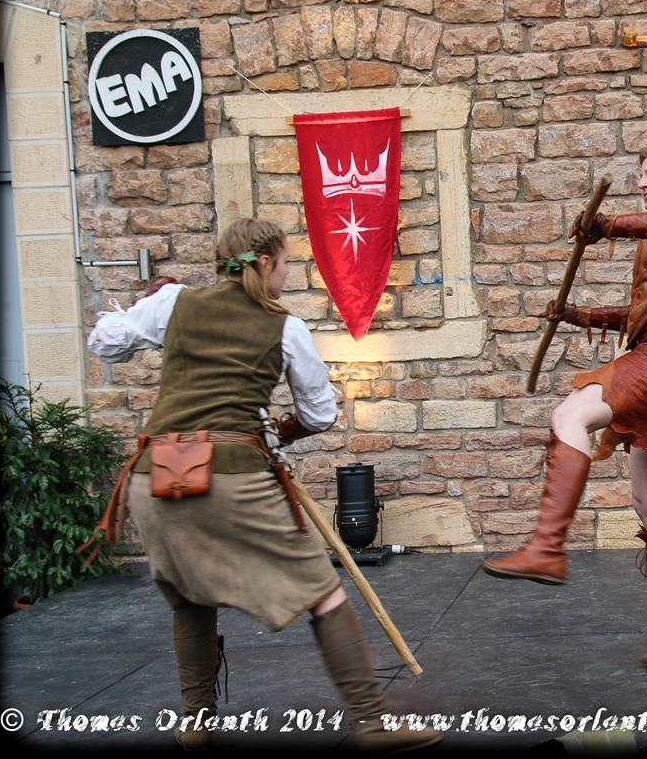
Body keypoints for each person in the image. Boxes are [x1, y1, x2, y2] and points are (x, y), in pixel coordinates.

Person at [86, 218, 439, 754]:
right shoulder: (284, 326)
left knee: (190, 596)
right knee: (322, 593)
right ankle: (371, 722)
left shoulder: (173, 303)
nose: (287, 273)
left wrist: (142, 305)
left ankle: (196, 722)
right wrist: (280, 432)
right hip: (232, 474)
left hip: (160, 470)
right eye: (287, 262)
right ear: (268, 262)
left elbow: (105, 343)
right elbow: (319, 414)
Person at [482, 142, 647, 667]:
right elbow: (646, 311)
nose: (643, 182)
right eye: (641, 175)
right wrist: (579, 315)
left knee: (571, 415)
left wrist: (607, 225)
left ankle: (547, 547)